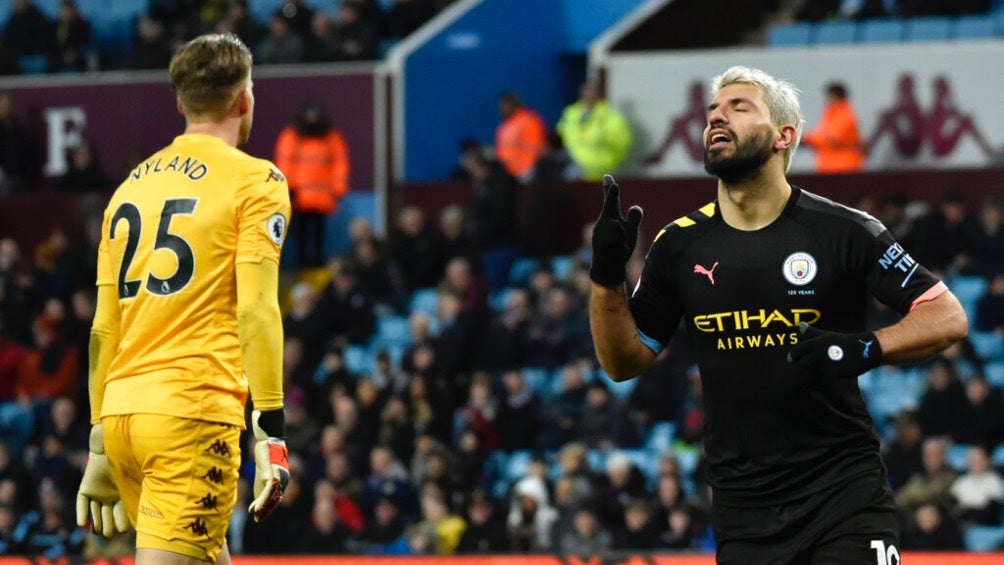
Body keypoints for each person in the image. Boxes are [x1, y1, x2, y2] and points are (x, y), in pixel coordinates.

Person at [588, 65, 968, 564]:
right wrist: (605, 278)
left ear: (783, 137)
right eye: (712, 111)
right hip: (743, 513)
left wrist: (861, 348)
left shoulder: (845, 230)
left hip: (844, 499)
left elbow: (947, 316)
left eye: (739, 107)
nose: (716, 117)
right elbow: (623, 362)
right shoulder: (677, 244)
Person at [74, 33, 291, 565]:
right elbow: (256, 309)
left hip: (123, 416)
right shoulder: (257, 181)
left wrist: (99, 439)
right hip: (190, 416)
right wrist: (271, 434)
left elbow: (104, 328)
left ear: (180, 103)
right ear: (244, 98)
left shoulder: (128, 188)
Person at [274, 98, 350, 268]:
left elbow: (339, 163)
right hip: (299, 197)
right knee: (300, 234)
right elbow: (285, 162)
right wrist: (289, 189)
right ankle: (301, 265)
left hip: (321, 196)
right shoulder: (292, 136)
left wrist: (338, 188)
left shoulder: (331, 137)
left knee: (318, 234)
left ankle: (315, 264)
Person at [555, 81, 633, 181]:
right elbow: (560, 134)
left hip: (599, 167)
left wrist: (610, 162)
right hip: (572, 161)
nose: (588, 95)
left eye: (592, 92)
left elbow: (623, 144)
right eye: (586, 92)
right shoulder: (571, 113)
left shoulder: (610, 117)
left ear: (599, 94)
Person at [800, 82, 865, 173]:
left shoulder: (845, 115)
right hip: (829, 168)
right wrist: (804, 138)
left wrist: (807, 140)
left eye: (828, 96)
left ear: (835, 96)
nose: (826, 100)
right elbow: (819, 134)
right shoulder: (830, 115)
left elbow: (832, 139)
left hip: (844, 168)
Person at [494, 91, 547, 183]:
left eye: (505, 104)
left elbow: (537, 148)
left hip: (527, 171)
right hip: (508, 172)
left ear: (514, 104)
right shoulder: (504, 125)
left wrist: (517, 145)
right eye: (501, 105)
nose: (501, 108)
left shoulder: (529, 120)